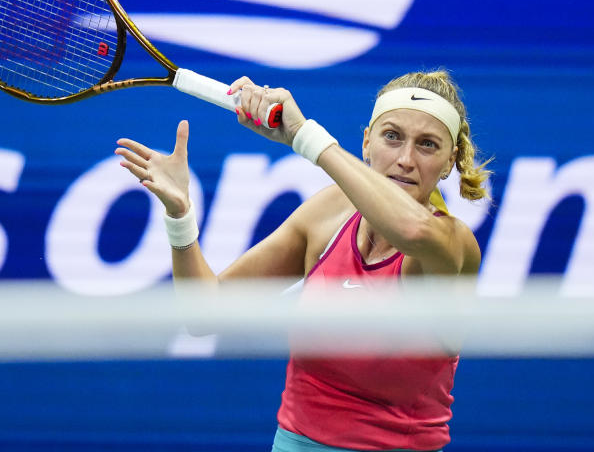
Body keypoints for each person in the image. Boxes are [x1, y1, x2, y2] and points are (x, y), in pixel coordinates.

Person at [115, 69, 491, 452]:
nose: (406, 159)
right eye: (391, 136)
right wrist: (180, 216)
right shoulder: (329, 213)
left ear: (450, 162)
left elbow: (411, 231)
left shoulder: (453, 244)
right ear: (366, 142)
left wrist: (304, 136)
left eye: (427, 145)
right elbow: (203, 316)